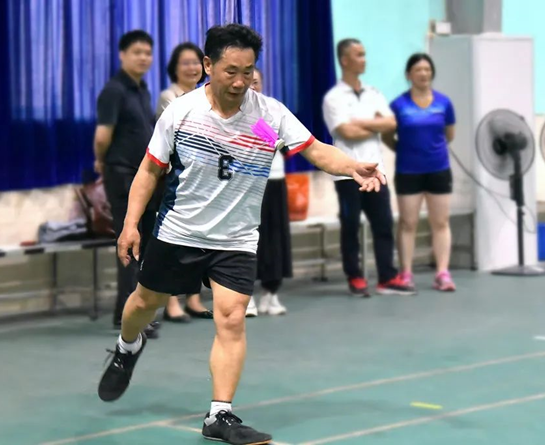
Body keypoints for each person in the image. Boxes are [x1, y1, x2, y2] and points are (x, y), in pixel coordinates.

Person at [97, 24, 386, 445]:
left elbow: (314, 149)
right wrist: (129, 224)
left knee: (231, 318)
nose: (239, 82)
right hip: (181, 230)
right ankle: (127, 347)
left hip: (236, 238)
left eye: (248, 72)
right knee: (144, 303)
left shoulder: (266, 116)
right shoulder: (181, 112)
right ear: (208, 65)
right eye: (230, 71)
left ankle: (220, 414)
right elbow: (149, 170)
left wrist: (352, 166)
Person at [322, 38, 408, 297]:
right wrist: (373, 125)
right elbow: (346, 132)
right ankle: (355, 277)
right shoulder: (333, 98)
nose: (364, 59)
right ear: (344, 60)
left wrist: (359, 123)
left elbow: (391, 123)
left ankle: (387, 277)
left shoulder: (374, 93)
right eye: (358, 55)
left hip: (376, 171)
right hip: (348, 173)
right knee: (350, 227)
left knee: (383, 225)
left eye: (364, 54)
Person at [93, 30, 159, 338]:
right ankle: (128, 315)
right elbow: (102, 136)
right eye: (137, 52)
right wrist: (101, 161)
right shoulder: (114, 90)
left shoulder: (142, 89)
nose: (143, 58)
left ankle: (132, 310)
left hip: (144, 175)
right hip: (122, 175)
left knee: (143, 244)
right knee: (129, 244)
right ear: (122, 55)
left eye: (147, 52)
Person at [382, 53, 457, 293]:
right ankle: (406, 273)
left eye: (427, 69)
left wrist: (431, 150)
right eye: (418, 70)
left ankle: (442, 273)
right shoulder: (398, 105)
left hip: (439, 170)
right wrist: (405, 150)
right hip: (408, 171)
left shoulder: (444, 103)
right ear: (409, 75)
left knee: (440, 222)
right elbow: (387, 136)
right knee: (408, 223)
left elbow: (449, 134)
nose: (423, 74)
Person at [155, 42, 212, 322]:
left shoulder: (209, 94)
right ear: (174, 69)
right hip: (176, 180)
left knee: (199, 241)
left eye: (195, 62)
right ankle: (171, 301)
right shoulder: (169, 97)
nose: (192, 68)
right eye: (185, 63)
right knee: (174, 241)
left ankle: (193, 298)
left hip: (206, 180)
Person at [246, 68, 291, 317]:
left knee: (275, 238)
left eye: (256, 82)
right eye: (248, 82)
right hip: (248, 184)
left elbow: (283, 145)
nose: (252, 87)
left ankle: (271, 293)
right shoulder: (232, 112)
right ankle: (246, 296)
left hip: (275, 180)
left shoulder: (273, 109)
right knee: (250, 240)